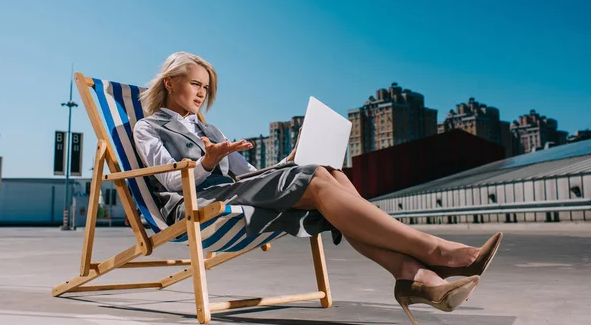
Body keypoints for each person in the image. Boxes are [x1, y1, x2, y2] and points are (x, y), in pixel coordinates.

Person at [134, 51, 503, 325]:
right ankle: (435, 253)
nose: (201, 93)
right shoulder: (148, 128)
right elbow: (171, 181)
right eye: (195, 84)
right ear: (170, 82)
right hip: (200, 202)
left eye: (206, 88)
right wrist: (210, 161)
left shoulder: (209, 130)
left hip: (237, 192)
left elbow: (249, 175)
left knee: (330, 175)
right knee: (322, 182)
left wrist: (289, 160)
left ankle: (418, 277)